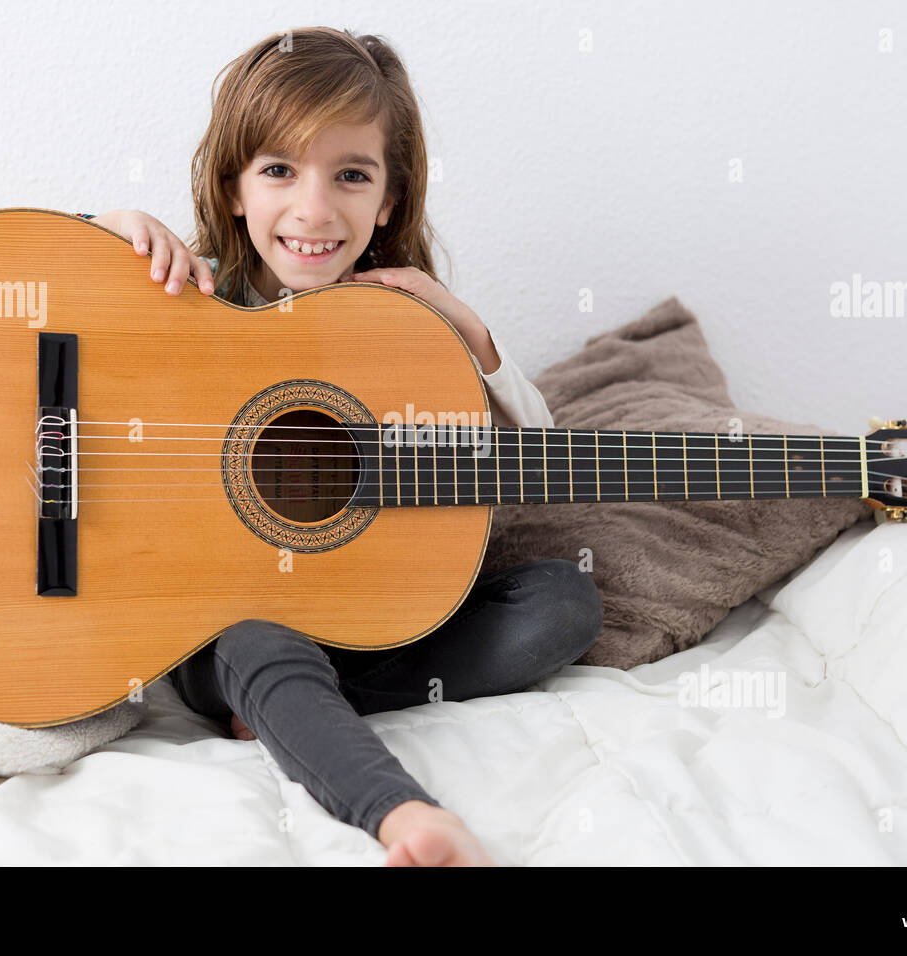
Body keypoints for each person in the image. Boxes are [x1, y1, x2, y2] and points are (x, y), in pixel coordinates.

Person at [78, 26, 602, 866]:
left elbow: (539, 463)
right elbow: (26, 295)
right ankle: (404, 817)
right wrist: (96, 232)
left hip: (359, 618)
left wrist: (475, 337)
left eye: (351, 175)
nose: (315, 210)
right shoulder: (186, 294)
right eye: (279, 170)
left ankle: (294, 703)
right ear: (235, 188)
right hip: (204, 627)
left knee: (564, 603)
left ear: (389, 200)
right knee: (259, 638)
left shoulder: (406, 336)